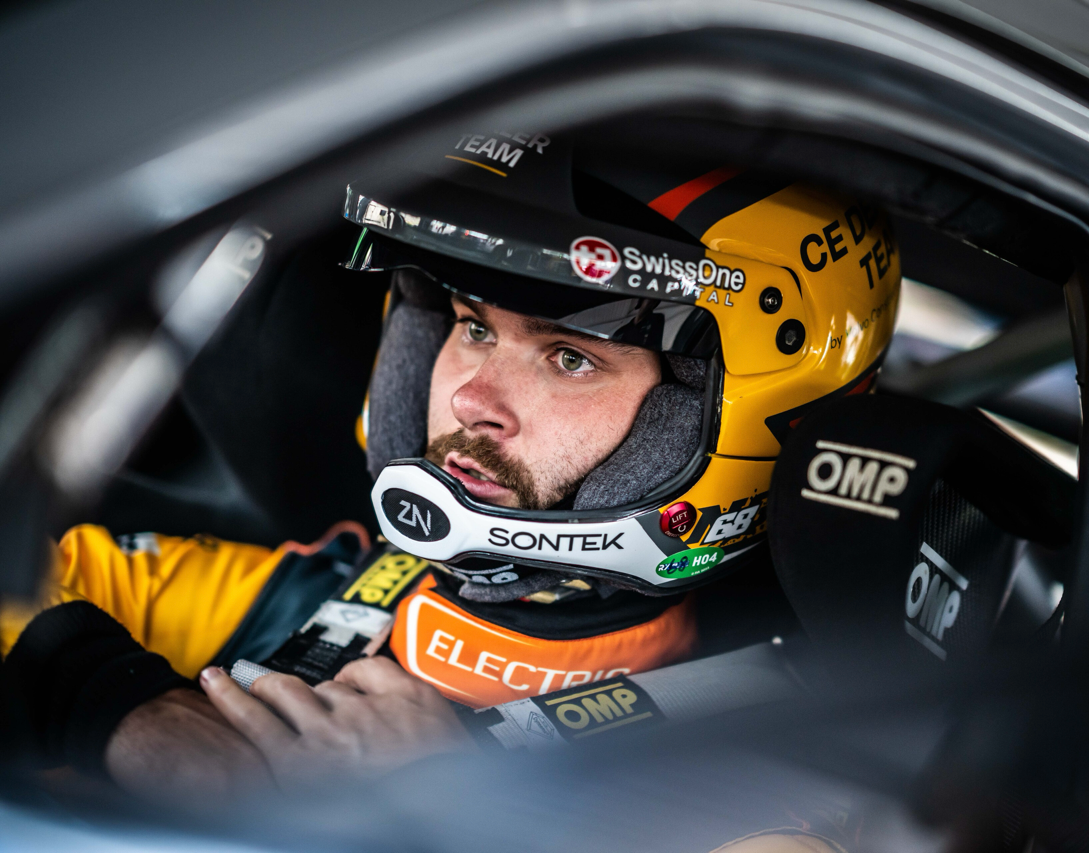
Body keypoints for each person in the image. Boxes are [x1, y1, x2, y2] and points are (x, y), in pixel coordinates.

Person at [0, 132, 901, 802]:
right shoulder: (324, 597)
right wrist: (122, 707)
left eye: (569, 357)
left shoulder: (768, 748)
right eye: (471, 325)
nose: (471, 398)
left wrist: (467, 807)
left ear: (723, 413)